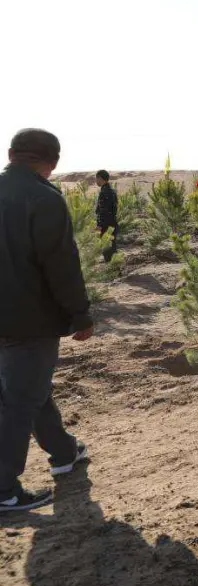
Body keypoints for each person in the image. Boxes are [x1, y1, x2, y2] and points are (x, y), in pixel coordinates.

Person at [0, 129, 92, 512]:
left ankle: (63, 451)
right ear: (52, 162)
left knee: (30, 388)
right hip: (29, 320)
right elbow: (61, 266)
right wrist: (80, 314)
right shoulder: (43, 198)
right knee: (20, 400)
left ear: (10, 154)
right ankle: (3, 489)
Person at [94, 170, 119, 262]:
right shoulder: (112, 191)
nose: (96, 181)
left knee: (107, 248)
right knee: (112, 248)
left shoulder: (104, 192)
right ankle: (116, 270)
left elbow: (103, 211)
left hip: (105, 225)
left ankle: (112, 271)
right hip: (112, 223)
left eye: (96, 178)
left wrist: (99, 226)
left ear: (100, 178)